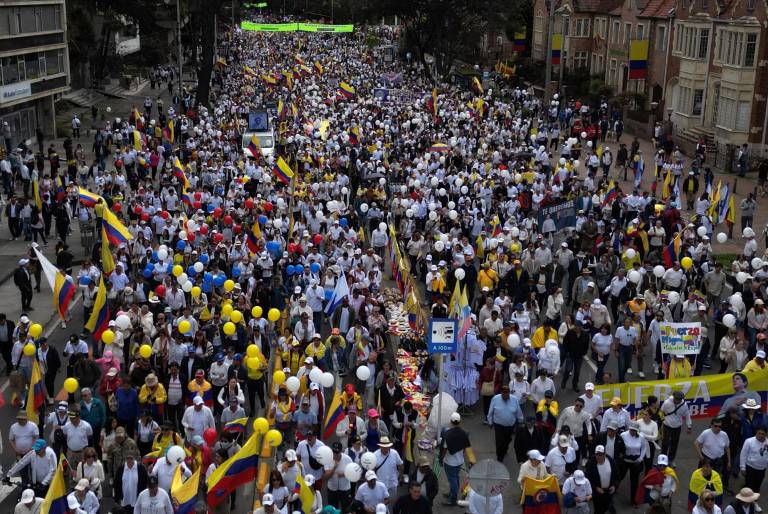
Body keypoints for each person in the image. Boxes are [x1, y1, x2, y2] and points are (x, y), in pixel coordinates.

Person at [439, 412, 475, 506]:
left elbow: (444, 449)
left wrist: (441, 460)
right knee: (455, 478)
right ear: (460, 422)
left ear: (451, 421)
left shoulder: (448, 435)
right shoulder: (464, 433)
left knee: (453, 480)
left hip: (450, 462)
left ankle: (452, 499)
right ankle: (452, 493)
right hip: (460, 461)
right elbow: (466, 447)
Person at [486, 385, 524, 462]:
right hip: (498, 426)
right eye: (504, 393)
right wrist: (490, 422)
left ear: (509, 393)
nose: (505, 395)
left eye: (507, 393)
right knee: (499, 443)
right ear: (501, 393)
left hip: (510, 426)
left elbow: (518, 412)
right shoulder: (495, 399)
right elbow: (490, 412)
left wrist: (520, 421)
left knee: (507, 440)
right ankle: (499, 458)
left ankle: (505, 449)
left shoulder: (514, 400)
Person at [661, 391, 692, 466]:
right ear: (673, 397)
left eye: (680, 399)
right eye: (676, 399)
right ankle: (662, 460)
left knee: (674, 444)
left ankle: (671, 460)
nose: (678, 401)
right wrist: (659, 424)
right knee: (665, 443)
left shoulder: (684, 405)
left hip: (677, 427)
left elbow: (687, 415)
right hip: (667, 426)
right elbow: (661, 412)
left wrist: (689, 426)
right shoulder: (667, 403)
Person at [585, 445, 619, 514]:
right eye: (597, 454)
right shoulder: (590, 464)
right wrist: (596, 488)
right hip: (597, 493)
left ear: (604, 454)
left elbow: (617, 475)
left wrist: (614, 486)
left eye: (601, 454)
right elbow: (588, 479)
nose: (599, 456)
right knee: (598, 510)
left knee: (609, 507)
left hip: (609, 491)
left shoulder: (611, 461)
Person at [739, 425, 768, 492]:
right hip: (750, 467)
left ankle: (754, 500)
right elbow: (743, 454)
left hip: (762, 469)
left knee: (757, 486)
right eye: (758, 433)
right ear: (756, 433)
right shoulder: (749, 441)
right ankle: (746, 500)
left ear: (766, 434)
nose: (760, 435)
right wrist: (742, 467)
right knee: (749, 486)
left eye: (762, 434)